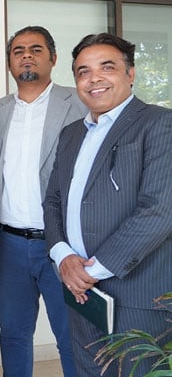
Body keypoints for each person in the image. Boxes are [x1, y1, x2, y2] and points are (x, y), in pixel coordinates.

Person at [43, 33, 172, 377]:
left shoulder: (159, 124)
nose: (93, 78)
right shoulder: (71, 133)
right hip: (80, 291)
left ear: (130, 73)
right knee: (87, 371)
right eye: (83, 71)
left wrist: (91, 270)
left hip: (137, 294)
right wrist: (62, 256)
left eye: (107, 67)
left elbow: (159, 211)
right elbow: (54, 200)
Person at [0, 26, 86, 377]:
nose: (26, 55)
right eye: (18, 50)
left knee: (72, 336)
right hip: (9, 245)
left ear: (53, 58)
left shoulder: (81, 104)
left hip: (64, 245)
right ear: (9, 62)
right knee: (13, 334)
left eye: (36, 49)